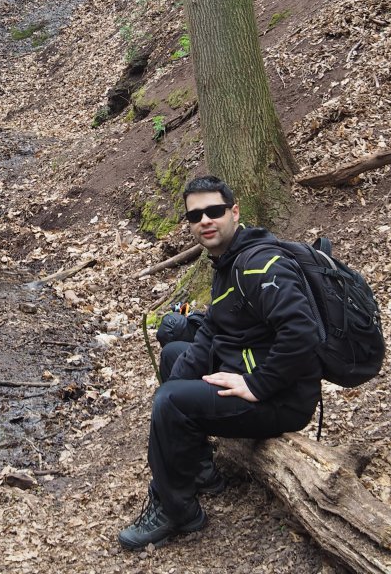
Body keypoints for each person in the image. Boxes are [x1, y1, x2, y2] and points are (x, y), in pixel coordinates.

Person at [118, 175, 323, 551]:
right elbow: (211, 331)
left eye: (214, 211)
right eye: (195, 216)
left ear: (234, 211)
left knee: (171, 403)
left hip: (282, 399)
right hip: (254, 375)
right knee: (174, 355)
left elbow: (303, 333)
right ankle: (198, 468)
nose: (205, 221)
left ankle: (177, 511)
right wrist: (173, 384)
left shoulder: (260, 265)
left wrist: (259, 384)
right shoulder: (228, 262)